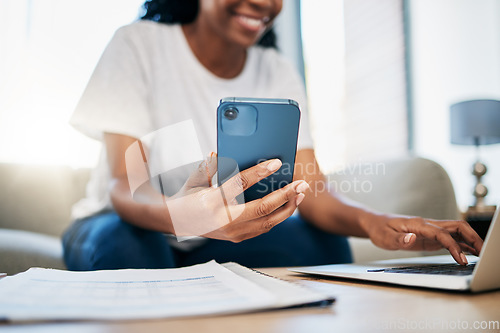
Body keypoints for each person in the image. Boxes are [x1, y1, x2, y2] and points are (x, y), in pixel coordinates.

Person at [63, 0, 482, 271]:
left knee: (327, 249)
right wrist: (187, 216)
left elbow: (311, 188)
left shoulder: (277, 69)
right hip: (121, 224)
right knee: (133, 255)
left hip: (212, 238)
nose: (266, 3)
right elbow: (125, 186)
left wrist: (378, 222)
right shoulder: (138, 43)